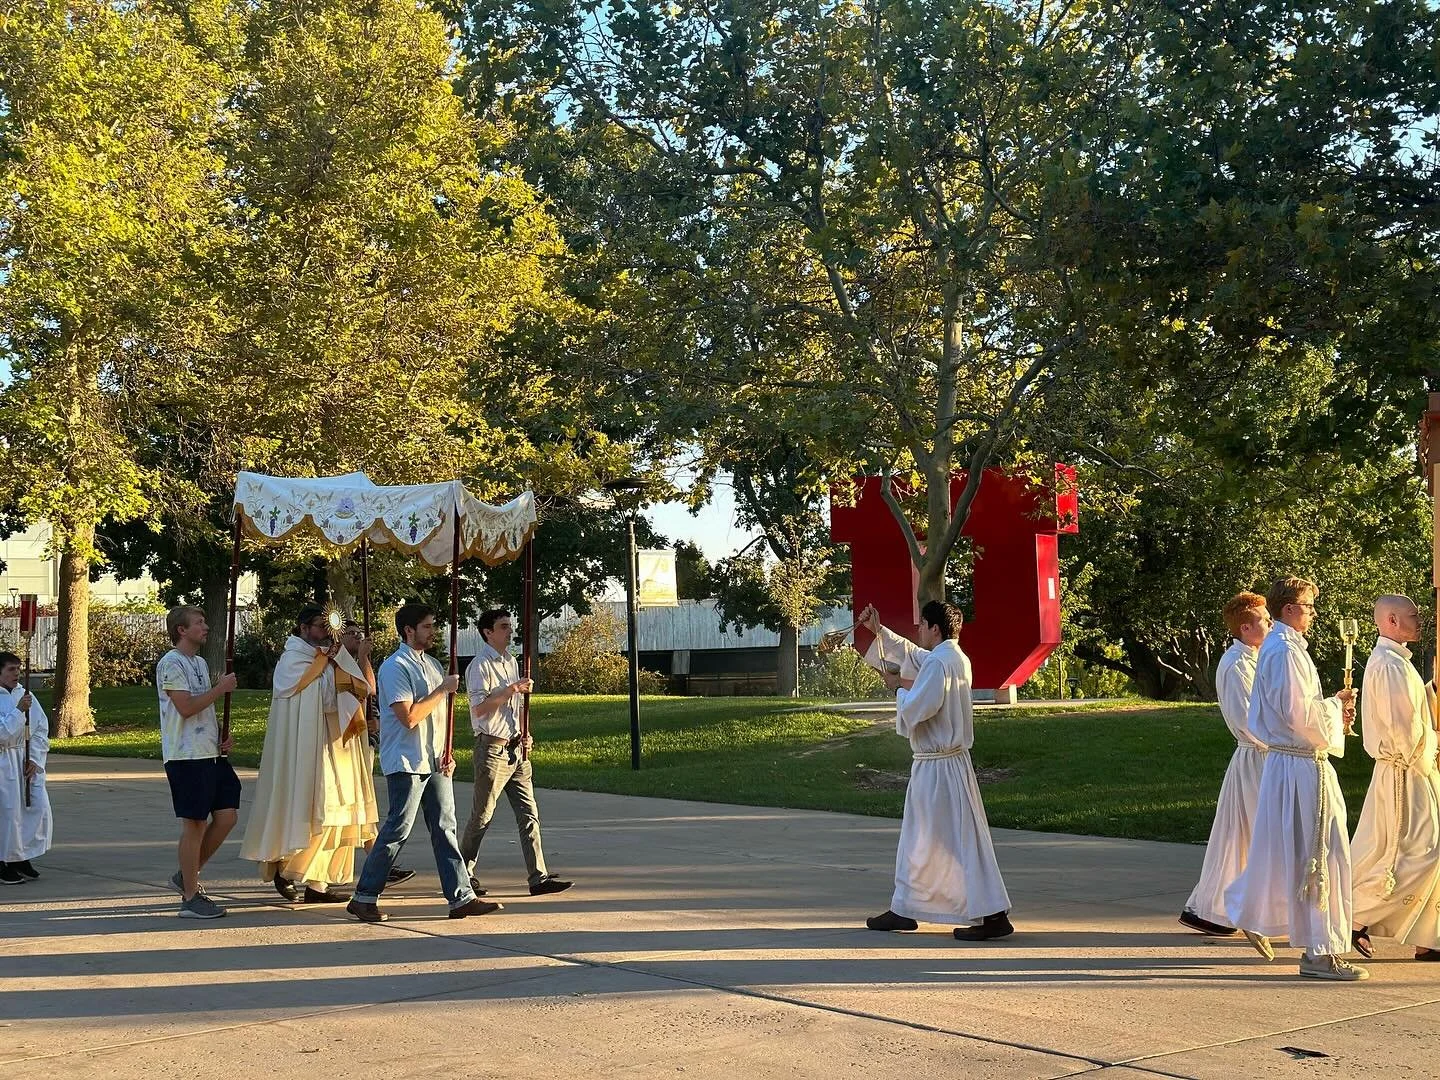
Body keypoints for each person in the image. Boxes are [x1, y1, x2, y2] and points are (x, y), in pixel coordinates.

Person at [1224, 576, 1365, 980]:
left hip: (1294, 762)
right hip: (1301, 763)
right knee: (1323, 853)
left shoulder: (1282, 648)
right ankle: (1320, 951)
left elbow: (1297, 711)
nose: (1313, 613)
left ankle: (1250, 907)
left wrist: (1333, 708)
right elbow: (1296, 715)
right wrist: (1334, 711)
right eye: (1307, 606)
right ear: (1288, 609)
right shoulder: (1284, 651)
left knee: (1292, 849)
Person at [859, 601, 1013, 941]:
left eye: (922, 625)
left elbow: (917, 708)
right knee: (921, 839)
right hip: (945, 765)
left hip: (939, 767)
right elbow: (913, 655)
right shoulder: (954, 658)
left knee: (957, 842)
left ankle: (993, 915)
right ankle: (905, 908)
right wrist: (879, 633)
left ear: (935, 629)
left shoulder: (941, 663)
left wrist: (897, 689)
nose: (919, 631)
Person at [347, 602, 501, 923]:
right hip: (406, 760)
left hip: (434, 760)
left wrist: (447, 751)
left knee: (445, 827)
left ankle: (461, 897)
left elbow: (439, 717)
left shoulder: (430, 664)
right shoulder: (394, 667)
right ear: (409, 630)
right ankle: (364, 897)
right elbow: (409, 716)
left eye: (433, 625)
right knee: (397, 829)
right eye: (428, 626)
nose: (433, 631)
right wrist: (443, 689)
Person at [240, 607, 378, 903]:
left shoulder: (334, 654)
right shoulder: (293, 660)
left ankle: (318, 884)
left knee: (336, 810)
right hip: (304, 747)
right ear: (303, 627)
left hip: (334, 743)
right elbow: (317, 698)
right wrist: (332, 674)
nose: (328, 632)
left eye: (329, 626)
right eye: (320, 625)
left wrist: (351, 662)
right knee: (306, 807)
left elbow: (364, 689)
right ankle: (284, 866)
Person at [1350, 594, 1440, 962]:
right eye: (1412, 615)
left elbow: (1414, 708)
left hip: (1414, 769)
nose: (1419, 620)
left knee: (1419, 850)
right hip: (1406, 771)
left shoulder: (1397, 661)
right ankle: (1355, 916)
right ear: (1389, 620)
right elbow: (1405, 731)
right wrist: (1431, 749)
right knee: (1418, 853)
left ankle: (1430, 938)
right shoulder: (1388, 665)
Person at [459, 608, 571, 898]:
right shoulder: (479, 666)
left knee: (529, 815)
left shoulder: (511, 661)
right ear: (488, 632)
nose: (510, 631)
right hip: (492, 750)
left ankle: (538, 877)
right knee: (482, 816)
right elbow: (479, 709)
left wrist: (525, 732)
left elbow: (516, 708)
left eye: (511, 625)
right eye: (504, 626)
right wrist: (510, 690)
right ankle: (463, 874)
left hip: (515, 749)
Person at [1179, 593, 1272, 935]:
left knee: (1242, 836)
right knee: (1252, 834)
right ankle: (1224, 907)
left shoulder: (1256, 659)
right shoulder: (1236, 666)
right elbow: (1250, 721)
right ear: (1246, 628)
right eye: (1264, 620)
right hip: (1256, 757)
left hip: (1264, 755)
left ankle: (1217, 908)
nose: (1271, 623)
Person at [157, 606, 240, 920]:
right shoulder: (171, 663)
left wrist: (219, 736)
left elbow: (202, 712)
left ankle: (186, 874)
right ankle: (190, 896)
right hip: (185, 756)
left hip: (209, 754)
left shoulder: (200, 663)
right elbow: (186, 707)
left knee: (227, 815)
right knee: (194, 824)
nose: (205, 627)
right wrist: (219, 689)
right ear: (182, 630)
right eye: (199, 623)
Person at [341, 620, 414, 889]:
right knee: (354, 805)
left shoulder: (362, 662)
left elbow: (370, 689)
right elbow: (359, 690)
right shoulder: (333, 662)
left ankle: (378, 862)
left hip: (363, 739)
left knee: (364, 804)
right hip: (340, 742)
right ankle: (378, 862)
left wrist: (364, 658)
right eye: (352, 634)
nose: (358, 638)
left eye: (360, 634)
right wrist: (360, 657)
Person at [0, 651, 51, 884]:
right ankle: (3, 860)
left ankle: (20, 855)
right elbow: (2, 733)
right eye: (11, 669)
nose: (17, 674)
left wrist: (35, 759)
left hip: (23, 758)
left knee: (34, 807)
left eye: (18, 669)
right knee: (8, 813)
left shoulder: (24, 694)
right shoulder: (17, 702)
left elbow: (40, 728)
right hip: (3, 760)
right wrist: (19, 710)